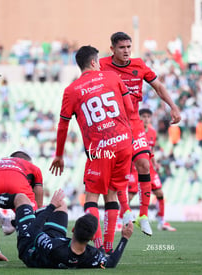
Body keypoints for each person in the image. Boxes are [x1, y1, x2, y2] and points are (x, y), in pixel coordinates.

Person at [50, 45, 134, 254]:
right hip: (124, 144)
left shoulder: (72, 90)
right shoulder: (113, 77)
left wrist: (59, 155)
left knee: (92, 198)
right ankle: (107, 247)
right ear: (95, 62)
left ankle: (97, 249)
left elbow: (63, 126)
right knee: (112, 195)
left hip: (101, 149)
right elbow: (130, 109)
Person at [100, 32, 181, 236]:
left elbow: (158, 87)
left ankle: (143, 216)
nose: (126, 51)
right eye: (121, 47)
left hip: (134, 123)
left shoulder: (139, 65)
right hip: (113, 126)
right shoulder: (101, 65)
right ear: (112, 50)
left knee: (144, 163)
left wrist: (173, 106)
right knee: (119, 174)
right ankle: (126, 212)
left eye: (128, 47)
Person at [0, 181, 134, 269]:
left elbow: (33, 230)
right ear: (92, 238)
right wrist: (125, 238)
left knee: (22, 199)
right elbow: (111, 263)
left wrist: (50, 206)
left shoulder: (54, 247)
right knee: (61, 205)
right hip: (55, 240)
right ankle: (13, 222)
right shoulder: (91, 255)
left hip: (30, 248)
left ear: (73, 229)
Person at [0, 151, 44, 262]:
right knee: (32, 218)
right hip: (18, 183)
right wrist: (39, 212)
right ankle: (13, 221)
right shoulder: (31, 166)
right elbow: (38, 190)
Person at [119, 109, 176, 231]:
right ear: (139, 117)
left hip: (150, 167)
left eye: (148, 116)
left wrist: (155, 163)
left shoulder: (152, 132)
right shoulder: (133, 131)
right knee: (129, 196)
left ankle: (161, 221)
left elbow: (151, 150)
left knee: (160, 193)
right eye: (143, 116)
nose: (146, 119)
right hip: (135, 168)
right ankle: (120, 221)